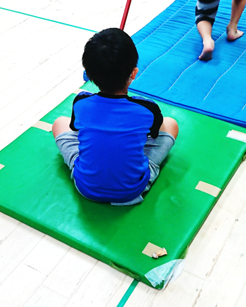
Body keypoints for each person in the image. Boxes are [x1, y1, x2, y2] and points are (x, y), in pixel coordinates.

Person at [52, 28, 180, 206]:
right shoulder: (147, 108)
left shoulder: (81, 102)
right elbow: (155, 132)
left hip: (86, 187)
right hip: (132, 190)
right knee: (171, 124)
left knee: (59, 123)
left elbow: (75, 129)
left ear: (88, 74)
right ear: (133, 73)